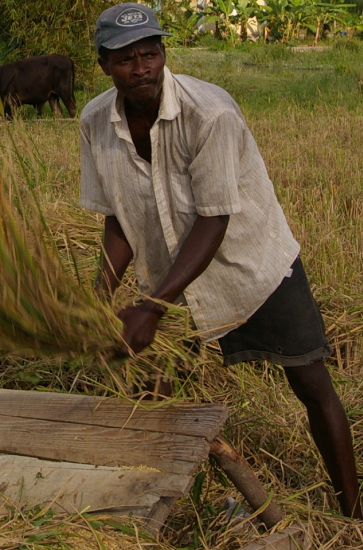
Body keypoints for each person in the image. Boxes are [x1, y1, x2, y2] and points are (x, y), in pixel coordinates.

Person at [81, 3, 360, 518]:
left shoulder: (210, 113)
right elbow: (117, 218)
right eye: (125, 58)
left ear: (164, 53)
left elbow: (214, 220)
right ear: (103, 65)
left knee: (311, 382)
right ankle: (157, 505)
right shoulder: (95, 121)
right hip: (172, 278)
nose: (141, 66)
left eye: (150, 53)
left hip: (251, 267)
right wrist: (97, 296)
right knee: (159, 388)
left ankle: (353, 514)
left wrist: (150, 305)